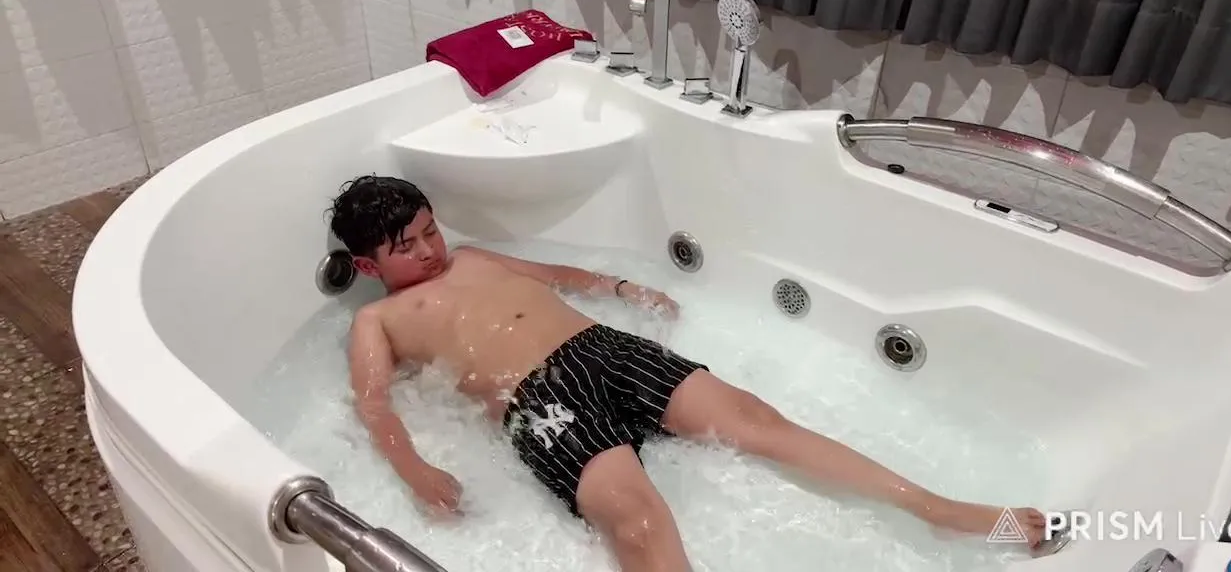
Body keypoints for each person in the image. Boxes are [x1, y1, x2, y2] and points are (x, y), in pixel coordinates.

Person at [326, 174, 1047, 571]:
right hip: (540, 402)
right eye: (405, 246)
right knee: (637, 519)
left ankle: (940, 510)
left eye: (431, 230)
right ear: (366, 265)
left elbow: (558, 274)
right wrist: (414, 471)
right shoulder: (376, 322)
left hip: (607, 347)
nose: (429, 250)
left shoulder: (475, 257)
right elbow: (374, 404)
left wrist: (621, 288)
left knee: (759, 423)